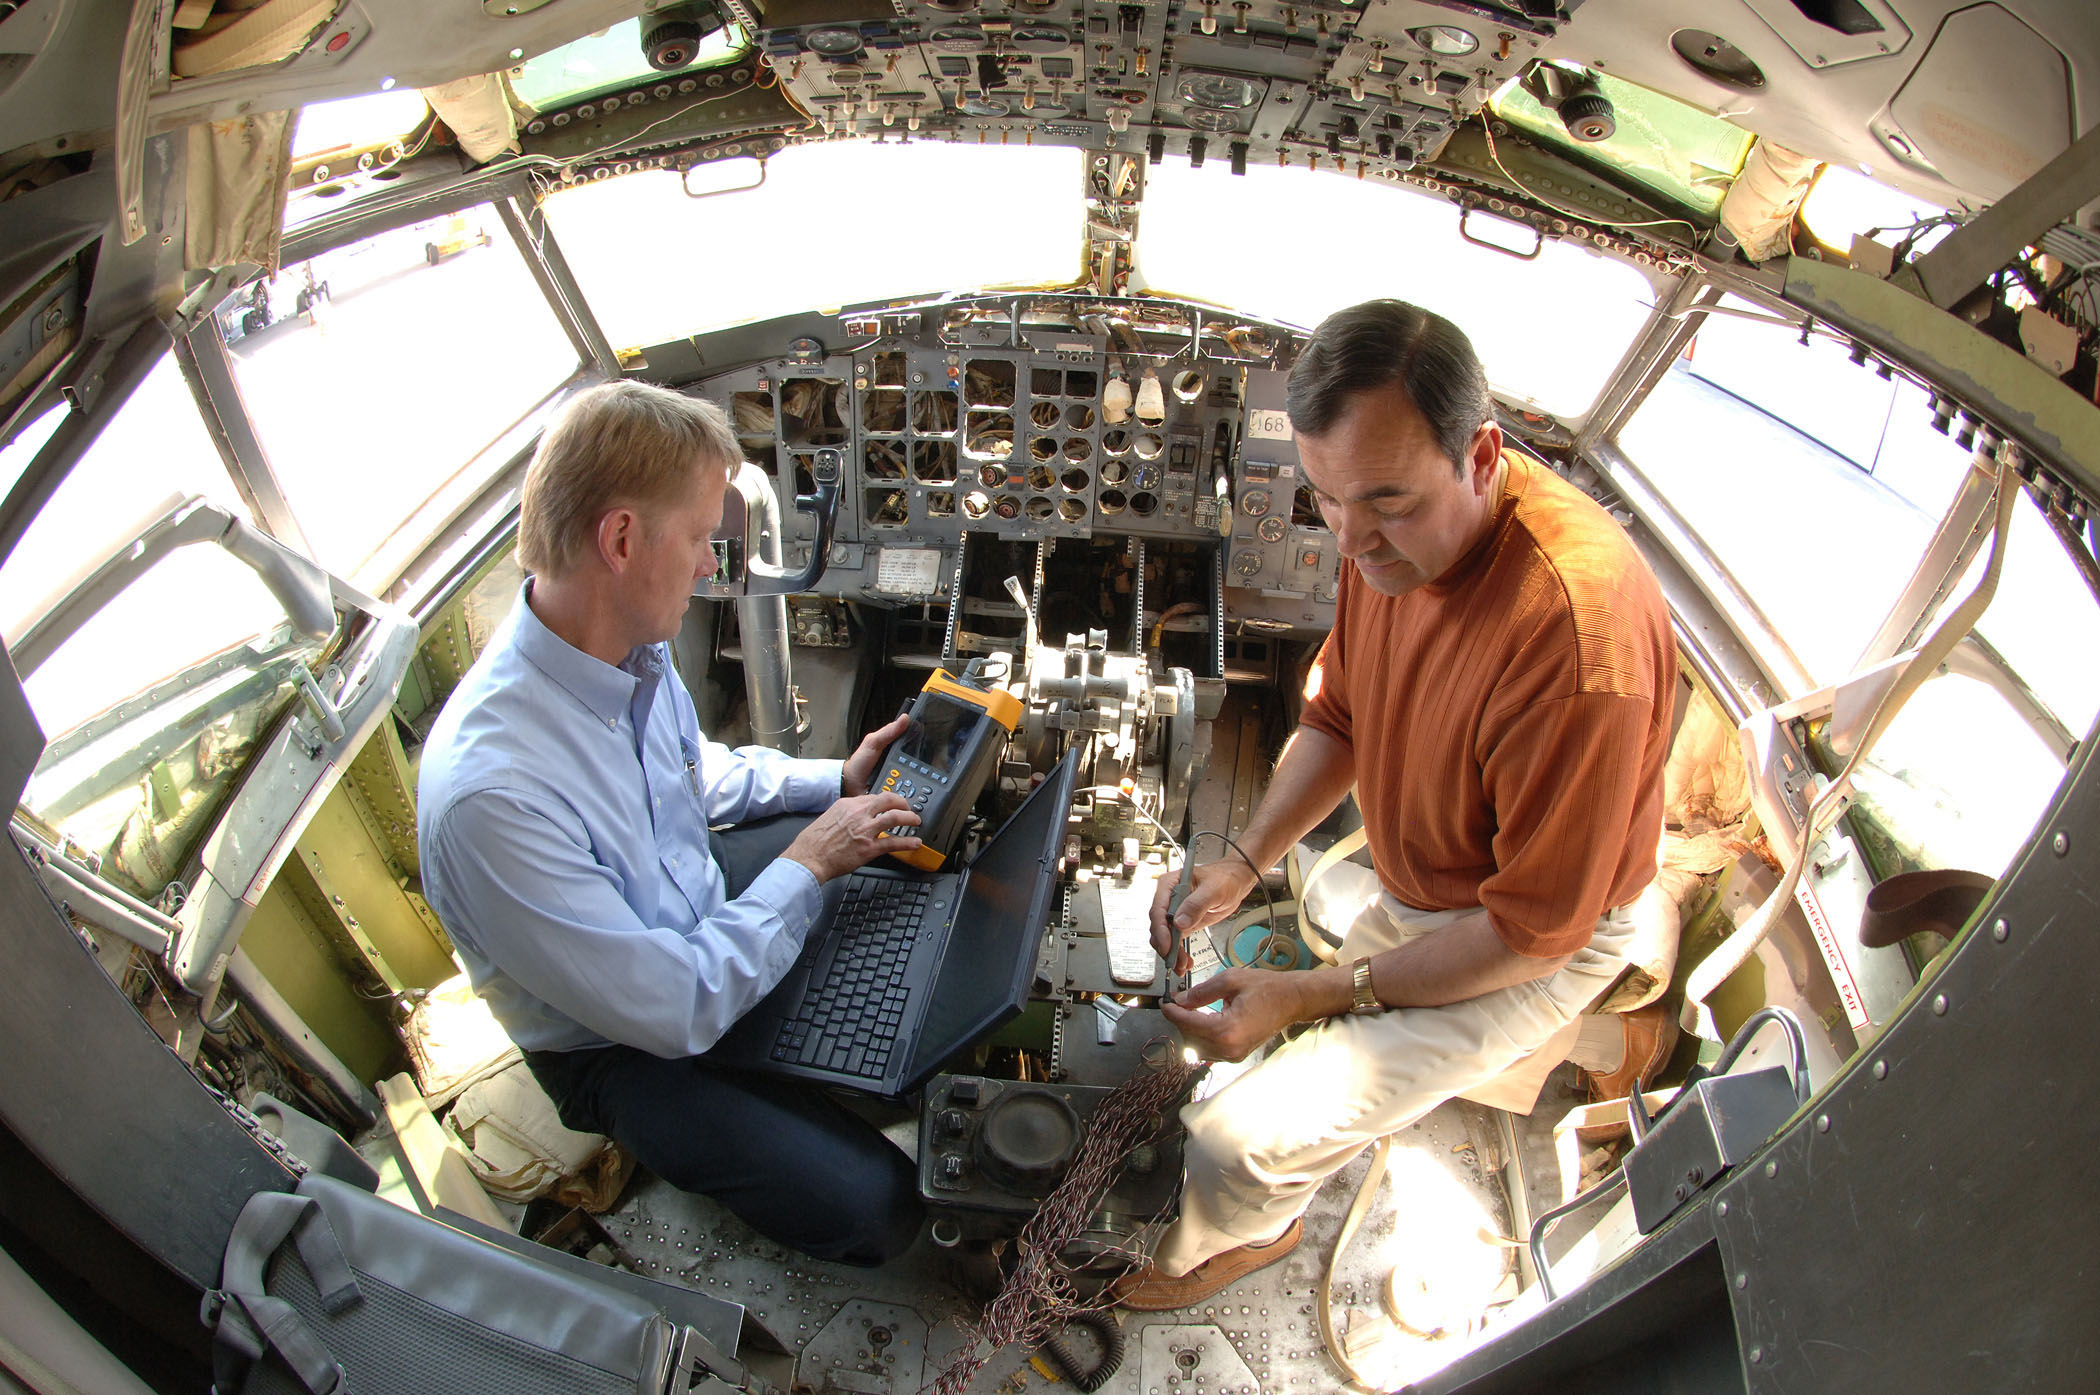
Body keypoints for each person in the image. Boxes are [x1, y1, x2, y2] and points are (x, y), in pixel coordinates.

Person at [1114, 300, 1677, 1308]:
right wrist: (1240, 868)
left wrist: (1322, 991)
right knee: (1305, 1030)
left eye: (1386, 503)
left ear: (1482, 454)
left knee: (1247, 1143)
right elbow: (1340, 717)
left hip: (1537, 928)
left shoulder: (1580, 648)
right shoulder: (1388, 531)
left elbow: (1525, 935)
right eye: (1327, 499)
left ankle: (1234, 1240)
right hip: (1438, 882)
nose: (1353, 540)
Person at [417, 380, 928, 1265]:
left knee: (887, 855)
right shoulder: (492, 797)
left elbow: (697, 775)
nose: (708, 562)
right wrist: (806, 865)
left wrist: (830, 782)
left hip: (688, 910)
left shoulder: (625, 650)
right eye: (697, 536)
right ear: (621, 539)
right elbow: (675, 1003)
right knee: (877, 1208)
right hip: (622, 1040)